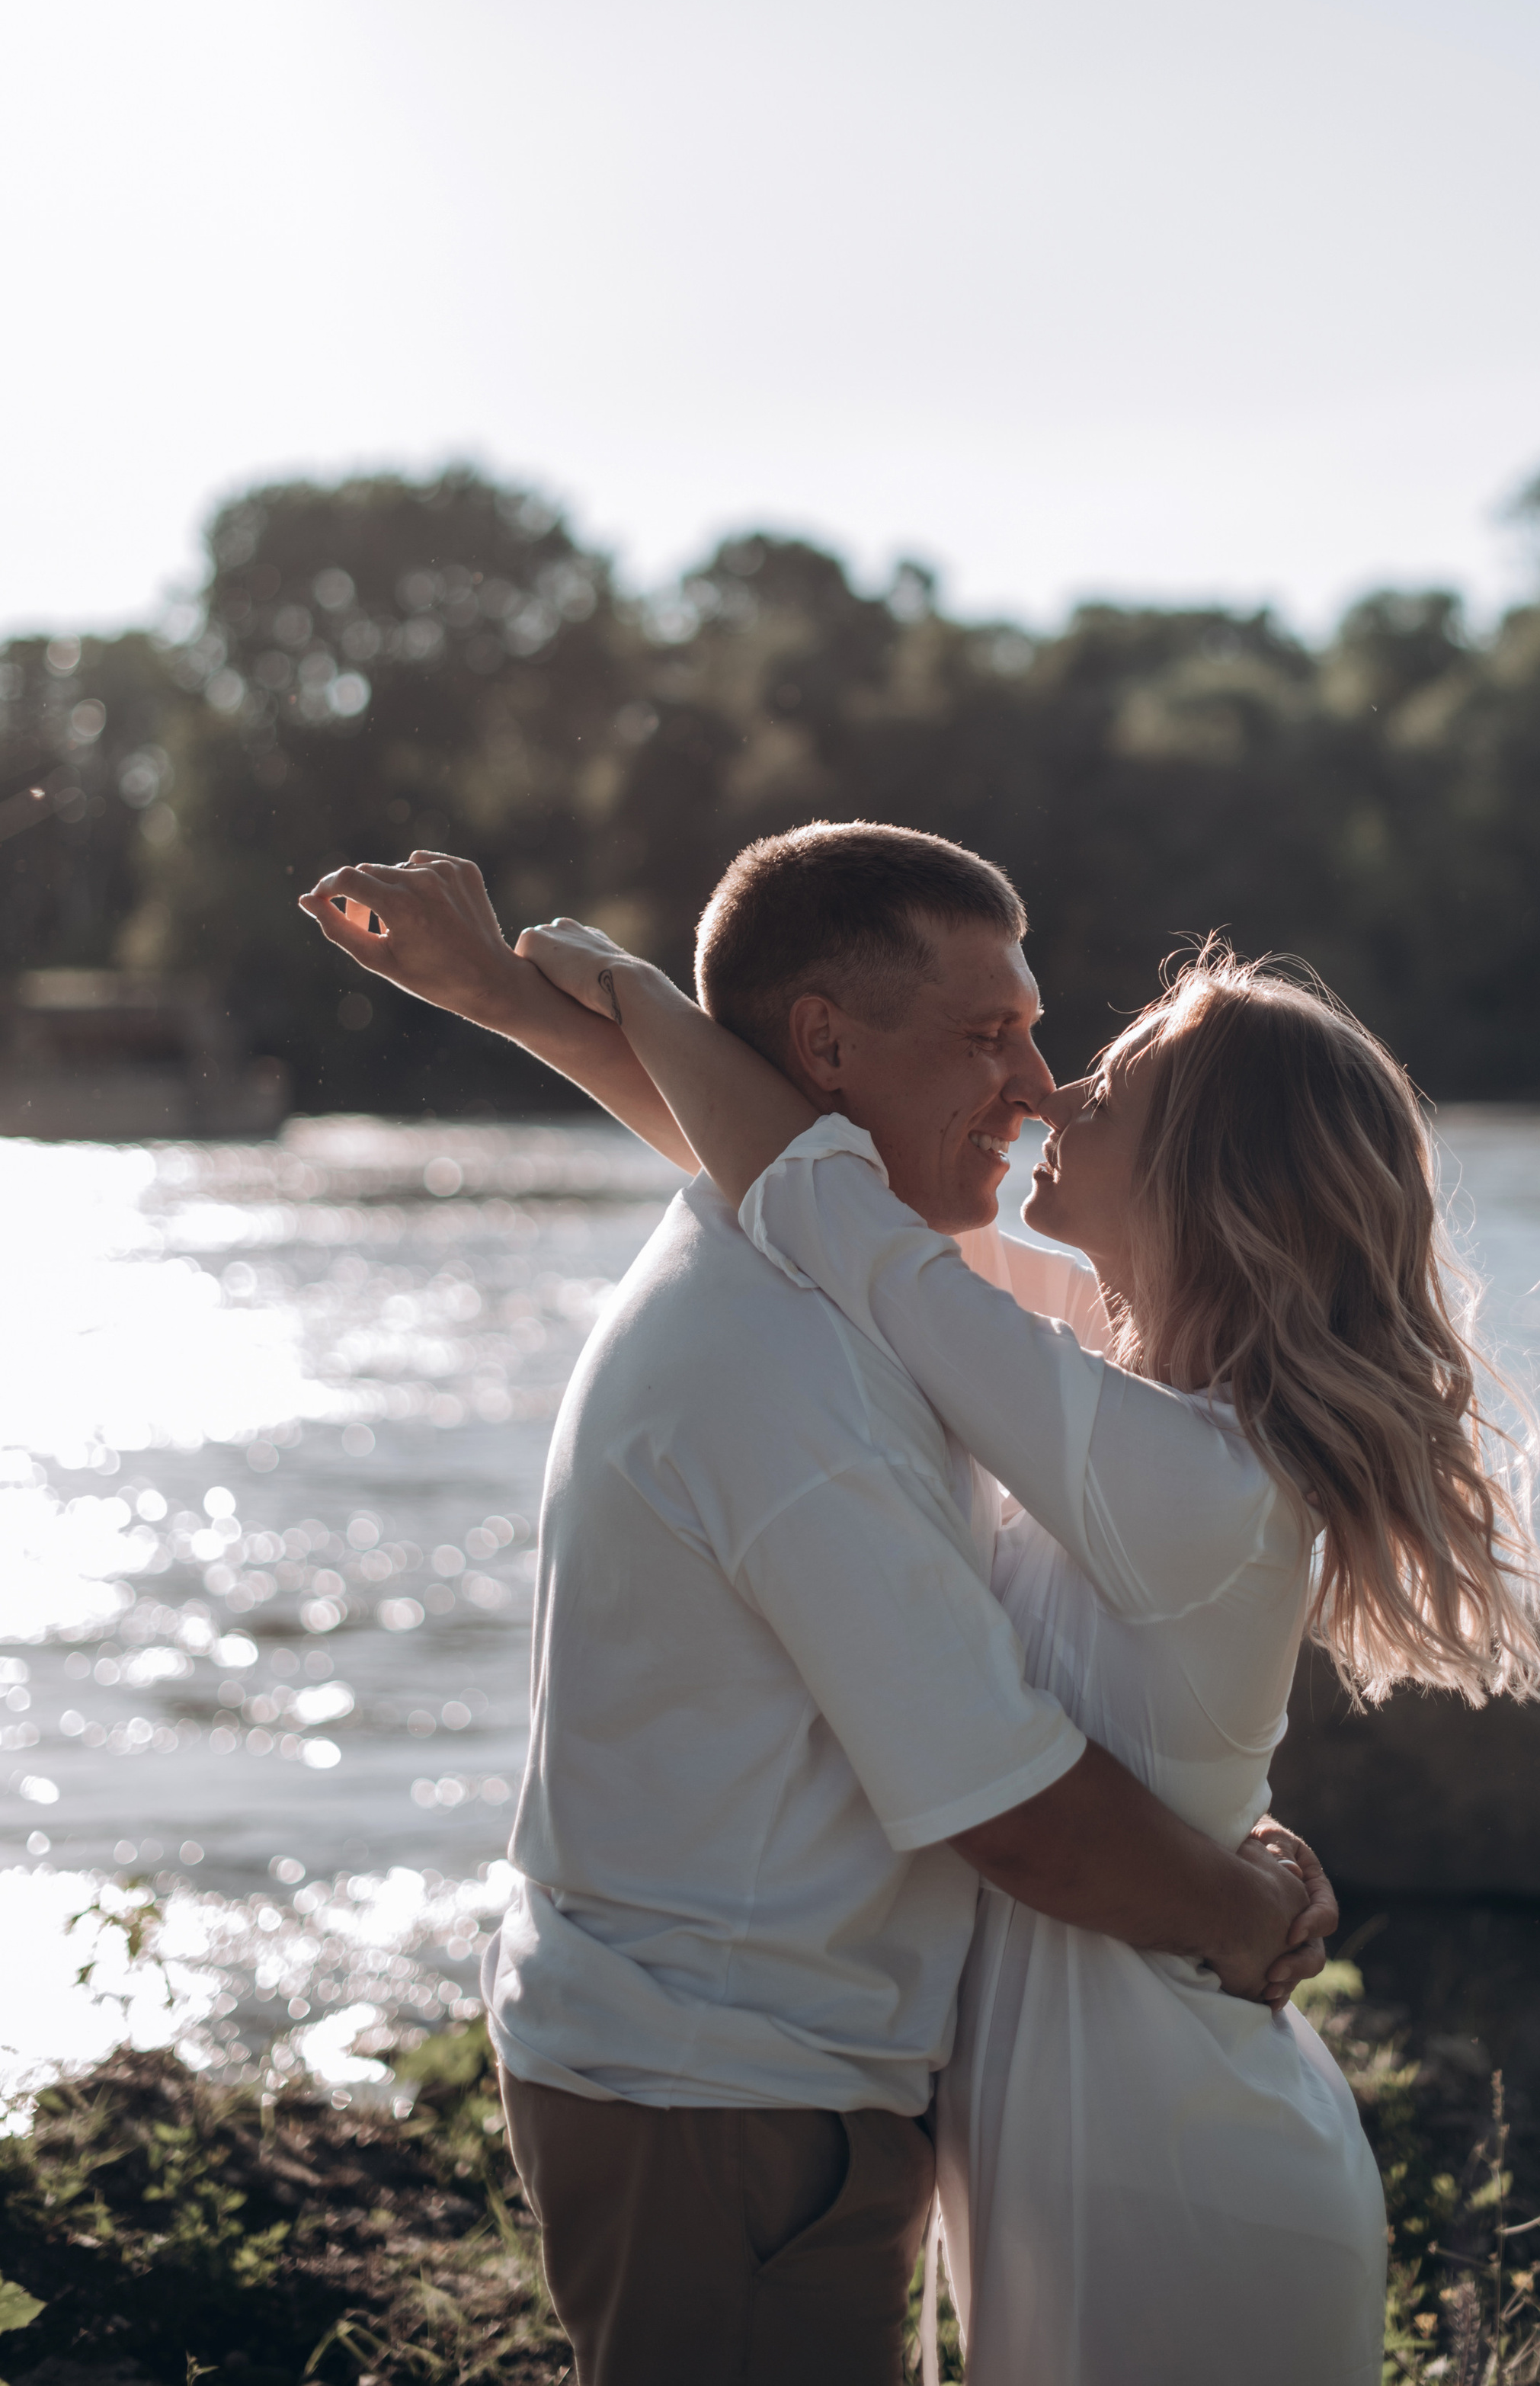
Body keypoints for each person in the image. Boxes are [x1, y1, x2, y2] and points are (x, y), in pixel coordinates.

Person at [299, 828, 1331, 2386]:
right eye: (987, 1035)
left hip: (755, 2077)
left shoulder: (843, 1268)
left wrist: (535, 1009)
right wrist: (1241, 1912)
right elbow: (1008, 1803)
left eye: (1037, 1034)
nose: (1038, 1087)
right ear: (828, 1048)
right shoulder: (789, 1372)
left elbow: (790, 1172)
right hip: (721, 2094)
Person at [515, 911, 1540, 2386]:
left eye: (1111, 1090)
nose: (1056, 1096)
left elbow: (836, 1219)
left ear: (1200, 1177)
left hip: (1170, 2166)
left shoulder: (1173, 1469)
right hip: (1102, 2136)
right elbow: (804, 1192)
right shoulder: (1135, 1394)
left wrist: (630, 990)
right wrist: (543, 1015)